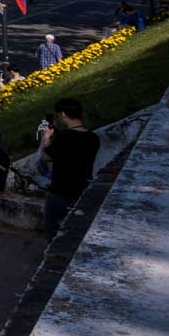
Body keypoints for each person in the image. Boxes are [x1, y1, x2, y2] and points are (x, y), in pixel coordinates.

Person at [39, 98, 100, 236]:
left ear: (63, 114)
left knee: (53, 227)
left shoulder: (65, 137)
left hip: (60, 191)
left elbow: (45, 157)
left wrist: (46, 137)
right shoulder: (93, 138)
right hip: (83, 188)